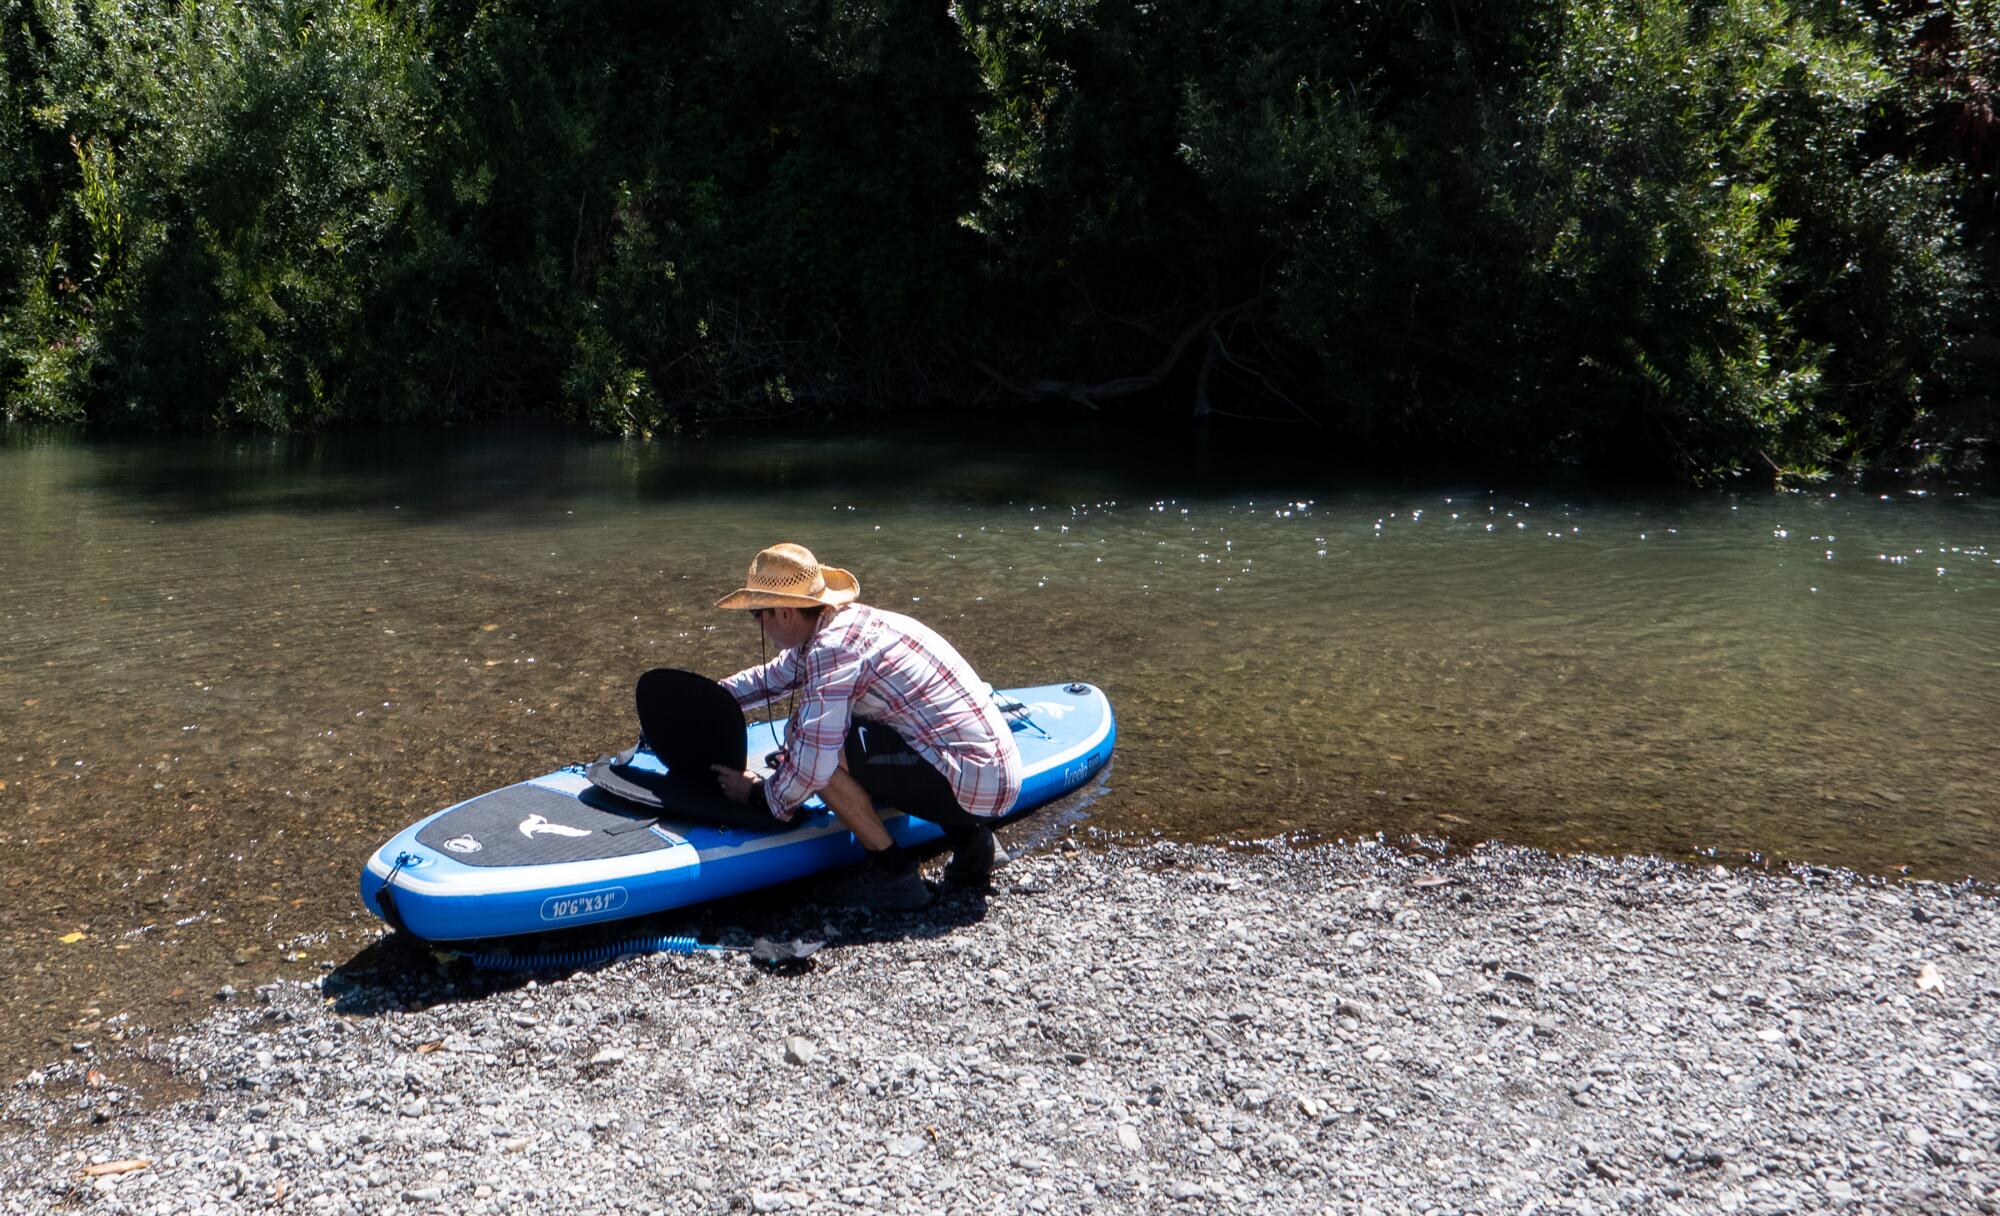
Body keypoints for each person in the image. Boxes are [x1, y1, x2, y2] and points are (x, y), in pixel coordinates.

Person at [709, 542, 1022, 909]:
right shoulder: (848, 625)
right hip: (989, 775)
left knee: (804, 738)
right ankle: (975, 846)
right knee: (855, 726)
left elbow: (811, 766)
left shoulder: (832, 649)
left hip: (973, 786)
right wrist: (704, 700)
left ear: (784, 612)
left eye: (756, 614)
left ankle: (893, 874)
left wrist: (759, 796)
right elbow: (774, 678)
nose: (756, 623)